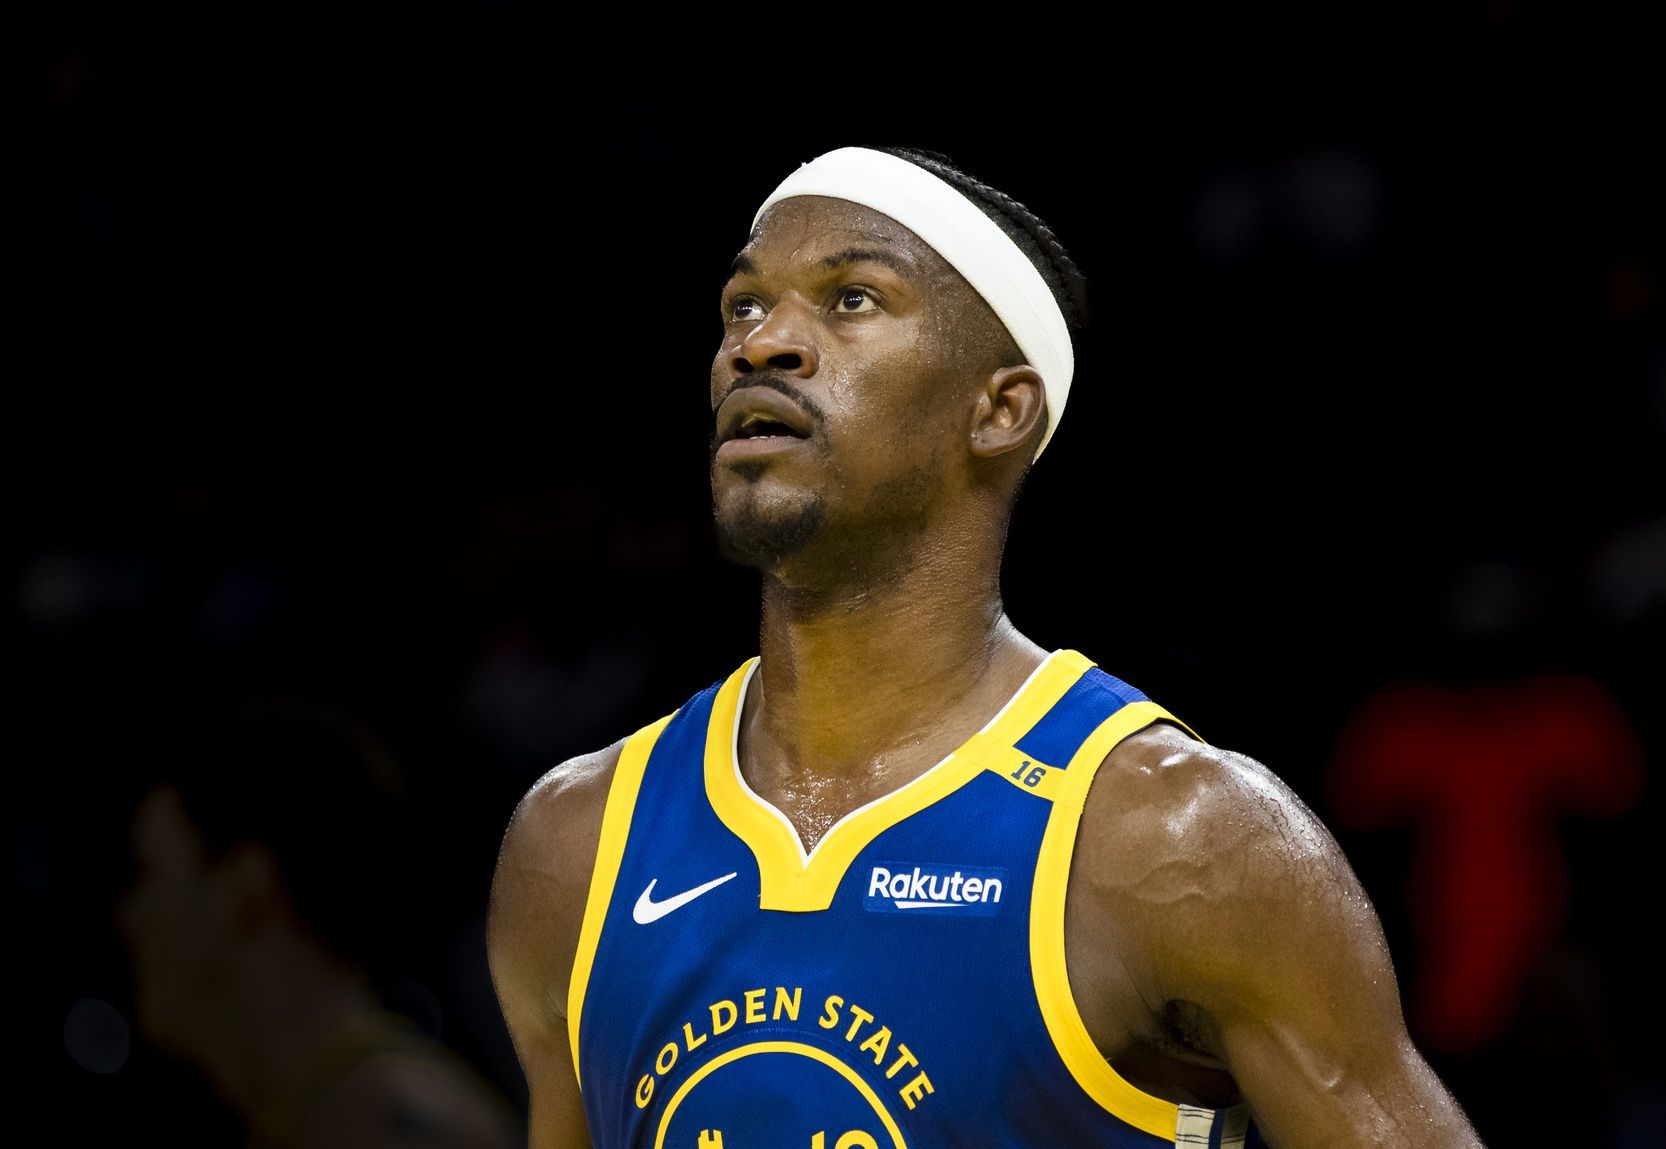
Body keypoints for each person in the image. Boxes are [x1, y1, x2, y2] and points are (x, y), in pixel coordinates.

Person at [486, 145, 1485, 1148]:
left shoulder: (1174, 837)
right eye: (743, 306)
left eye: (851, 300)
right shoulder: (575, 843)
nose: (763, 344)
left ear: (999, 410)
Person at [118, 698, 524, 1149]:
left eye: (147, 875)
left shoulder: (397, 1131)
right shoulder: (342, 1116)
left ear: (245, 892)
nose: (129, 921)